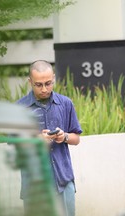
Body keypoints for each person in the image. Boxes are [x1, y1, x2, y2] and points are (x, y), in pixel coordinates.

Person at [16, 60, 82, 216]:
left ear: (53, 78)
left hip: (63, 181)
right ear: (30, 82)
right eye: (38, 85)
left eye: (48, 83)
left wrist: (64, 136)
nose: (44, 89)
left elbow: (76, 138)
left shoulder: (66, 104)